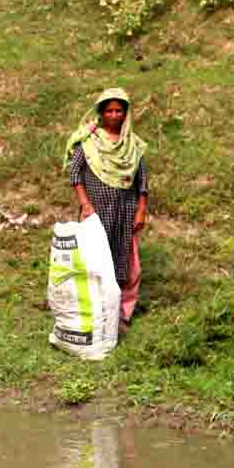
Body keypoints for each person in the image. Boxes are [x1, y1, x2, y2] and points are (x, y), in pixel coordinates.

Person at [64, 87, 148, 332]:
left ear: (126, 114)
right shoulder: (89, 141)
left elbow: (142, 181)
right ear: (102, 113)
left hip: (126, 211)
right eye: (109, 110)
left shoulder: (132, 145)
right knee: (94, 263)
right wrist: (85, 204)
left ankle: (122, 314)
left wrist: (141, 209)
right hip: (96, 212)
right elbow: (75, 174)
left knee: (129, 264)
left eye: (118, 111)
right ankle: (93, 313)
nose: (114, 115)